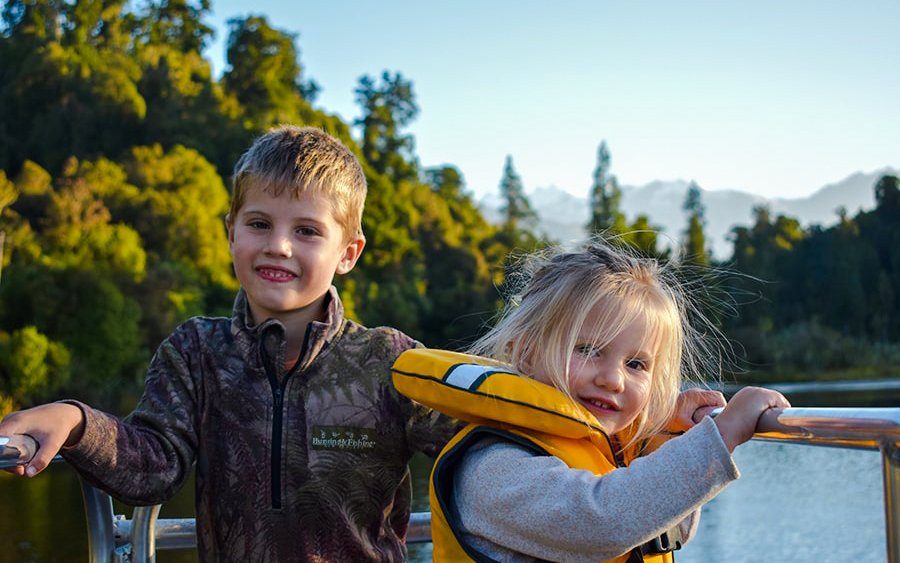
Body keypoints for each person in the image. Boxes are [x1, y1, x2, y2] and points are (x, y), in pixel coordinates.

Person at [0, 125, 457, 562]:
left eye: (307, 231)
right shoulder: (196, 352)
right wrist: (75, 421)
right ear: (230, 233)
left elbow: (475, 446)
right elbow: (154, 466)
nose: (278, 246)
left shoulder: (390, 361)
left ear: (348, 253)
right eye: (259, 223)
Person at [391, 238, 791, 562]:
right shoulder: (494, 466)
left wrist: (665, 437)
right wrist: (722, 433)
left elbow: (670, 527)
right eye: (587, 349)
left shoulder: (606, 450)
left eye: (636, 364)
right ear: (526, 353)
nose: (613, 379)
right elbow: (603, 521)